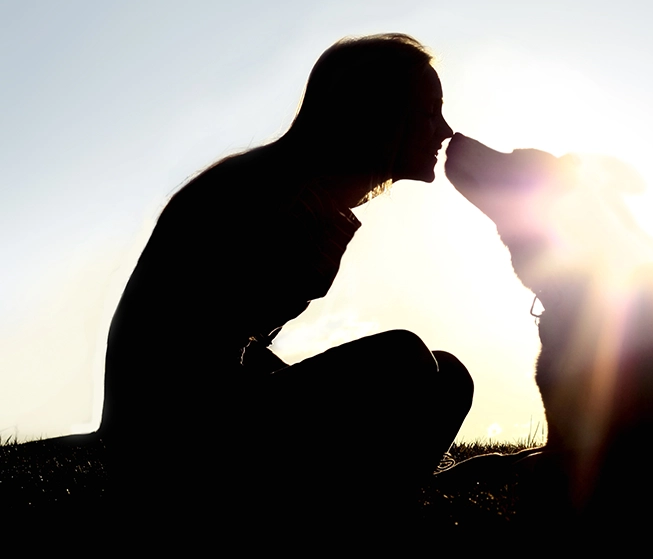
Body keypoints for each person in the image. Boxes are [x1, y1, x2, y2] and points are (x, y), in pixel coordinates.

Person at [98, 33, 471, 518]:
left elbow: (233, 345)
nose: (443, 130)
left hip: (199, 421)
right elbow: (190, 349)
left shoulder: (302, 190)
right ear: (377, 115)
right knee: (404, 359)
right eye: (428, 112)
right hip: (172, 442)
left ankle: (381, 496)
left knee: (450, 377)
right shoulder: (273, 196)